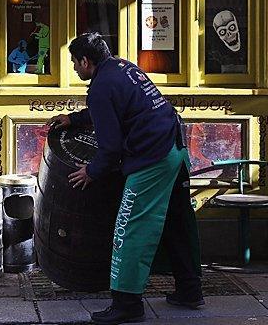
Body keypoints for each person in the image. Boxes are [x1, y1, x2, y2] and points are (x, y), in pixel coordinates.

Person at [48, 32, 203, 325]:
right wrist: (75, 118)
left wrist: (91, 172)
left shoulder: (100, 86)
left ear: (86, 61)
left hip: (153, 157)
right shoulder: (122, 67)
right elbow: (120, 108)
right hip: (175, 148)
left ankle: (127, 304)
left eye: (74, 62)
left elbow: (110, 147)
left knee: (130, 228)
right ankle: (190, 290)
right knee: (176, 222)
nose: (73, 68)